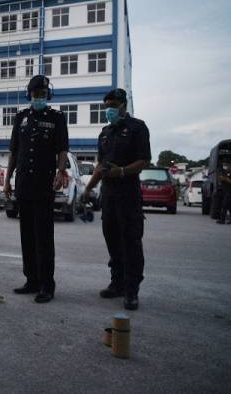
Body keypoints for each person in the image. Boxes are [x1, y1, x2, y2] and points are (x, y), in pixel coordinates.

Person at [82, 88, 151, 311]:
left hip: (128, 194)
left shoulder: (137, 127)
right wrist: (88, 188)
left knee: (131, 242)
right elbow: (101, 167)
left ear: (124, 104)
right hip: (109, 196)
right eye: (107, 105)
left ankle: (132, 290)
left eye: (113, 104)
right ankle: (117, 283)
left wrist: (121, 171)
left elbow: (143, 160)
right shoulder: (105, 133)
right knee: (112, 240)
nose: (109, 109)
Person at [5, 75, 69, 303]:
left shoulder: (57, 118)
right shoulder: (21, 117)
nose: (39, 98)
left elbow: (62, 149)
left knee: (43, 236)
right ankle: (31, 280)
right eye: (35, 95)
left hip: (44, 183)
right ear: (29, 95)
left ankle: (46, 285)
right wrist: (7, 179)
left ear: (47, 95)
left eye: (42, 94)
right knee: (27, 235)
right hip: (23, 182)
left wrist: (60, 172)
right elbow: (14, 150)